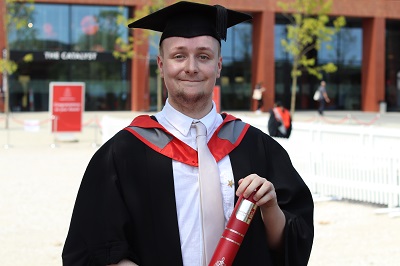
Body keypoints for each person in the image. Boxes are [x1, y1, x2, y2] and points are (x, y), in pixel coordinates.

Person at [62, 2, 314, 266]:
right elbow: (93, 247)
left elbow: (291, 247)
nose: (191, 67)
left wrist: (270, 207)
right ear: (161, 64)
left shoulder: (257, 146)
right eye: (179, 56)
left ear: (218, 66)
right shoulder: (122, 153)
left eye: (203, 56)